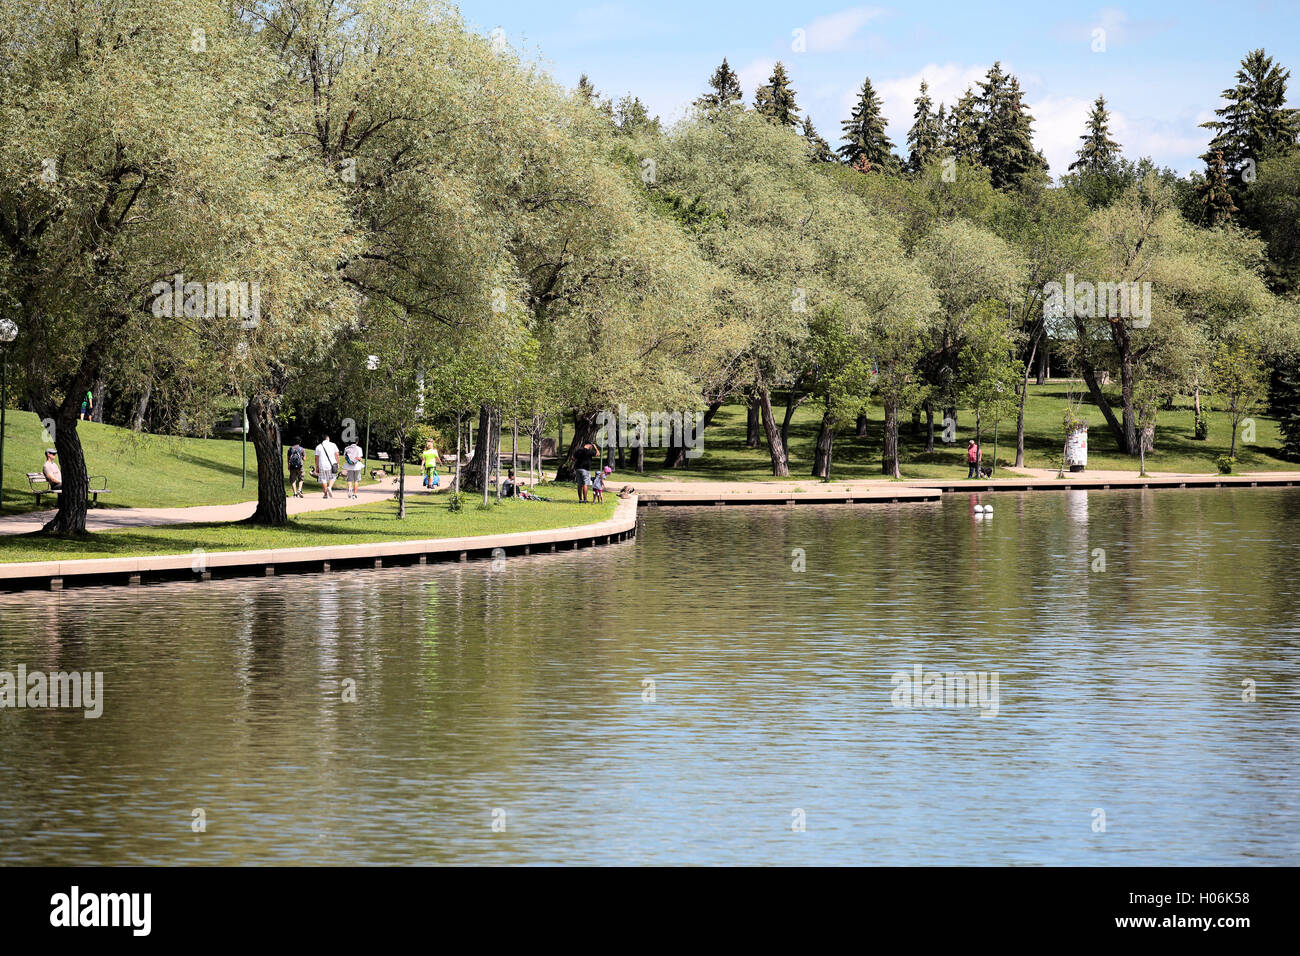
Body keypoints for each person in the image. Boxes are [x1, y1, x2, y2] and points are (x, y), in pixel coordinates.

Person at [315, 433, 340, 498]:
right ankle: (330, 487)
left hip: (322, 465)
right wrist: (338, 463)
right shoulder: (333, 444)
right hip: (331, 465)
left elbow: (316, 458)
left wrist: (317, 466)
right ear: (327, 438)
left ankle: (325, 494)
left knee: (323, 479)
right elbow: (337, 454)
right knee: (333, 477)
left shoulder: (318, 446)